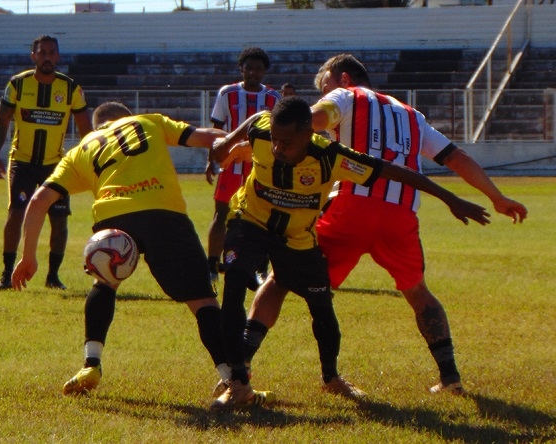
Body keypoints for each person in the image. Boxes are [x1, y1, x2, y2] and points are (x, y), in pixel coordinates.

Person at [243, 54, 528, 398]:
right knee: (418, 291)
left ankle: (239, 368)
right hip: (401, 212)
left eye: (325, 87)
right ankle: (451, 377)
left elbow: (310, 122)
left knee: (281, 279)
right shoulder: (412, 115)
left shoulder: (345, 97)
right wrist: (496, 197)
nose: (323, 93)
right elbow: (456, 157)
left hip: (352, 205)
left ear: (343, 78)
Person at [209, 96, 491, 410]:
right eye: (275, 140)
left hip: (297, 238)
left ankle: (331, 378)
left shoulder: (332, 157)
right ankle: (238, 382)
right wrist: (223, 146)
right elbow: (255, 121)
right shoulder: (263, 131)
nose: (277, 148)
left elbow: (393, 172)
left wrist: (451, 198)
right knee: (233, 285)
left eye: (287, 142)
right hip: (250, 221)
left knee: (321, 305)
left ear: (309, 133)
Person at [10, 102, 267, 404]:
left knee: (104, 284)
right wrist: (241, 146)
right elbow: (206, 136)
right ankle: (231, 380)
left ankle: (90, 365)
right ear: (126, 116)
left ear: (98, 126)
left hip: (113, 217)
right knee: (202, 301)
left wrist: (28, 257)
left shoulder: (83, 148)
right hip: (163, 211)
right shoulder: (148, 121)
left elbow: (39, 200)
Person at [0, 35, 93, 291]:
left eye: (52, 52)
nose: (47, 57)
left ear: (57, 57)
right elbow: (3, 120)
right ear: (33, 56)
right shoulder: (17, 85)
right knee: (16, 214)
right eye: (42, 52)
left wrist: (90, 160)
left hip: (56, 165)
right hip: (22, 162)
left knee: (59, 221)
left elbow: (85, 129)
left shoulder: (70, 88)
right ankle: (6, 274)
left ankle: (53, 276)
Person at [205, 47, 282, 293]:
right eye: (249, 67)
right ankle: (212, 265)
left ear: (264, 72)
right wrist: (211, 160)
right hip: (231, 163)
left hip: (261, 164)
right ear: (242, 69)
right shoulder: (227, 93)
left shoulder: (273, 98)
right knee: (222, 213)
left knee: (264, 215)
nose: (253, 72)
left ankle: (260, 266)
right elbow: (216, 129)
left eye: (258, 68)